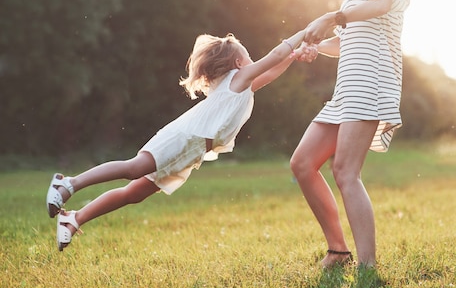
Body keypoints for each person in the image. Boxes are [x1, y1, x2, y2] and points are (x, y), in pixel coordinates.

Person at [47, 29, 308, 251]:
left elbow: (273, 71)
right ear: (240, 64)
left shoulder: (242, 85)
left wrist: (295, 55)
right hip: (182, 138)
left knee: (134, 193)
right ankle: (68, 183)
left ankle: (74, 219)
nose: (254, 61)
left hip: (190, 151)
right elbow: (274, 57)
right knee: (134, 168)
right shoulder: (238, 79)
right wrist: (305, 33)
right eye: (249, 57)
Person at [290, 0, 417, 268]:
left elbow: (381, 6)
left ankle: (367, 264)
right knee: (302, 163)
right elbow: (346, 42)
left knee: (345, 171)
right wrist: (317, 48)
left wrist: (331, 16)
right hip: (346, 88)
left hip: (372, 83)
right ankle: (338, 250)